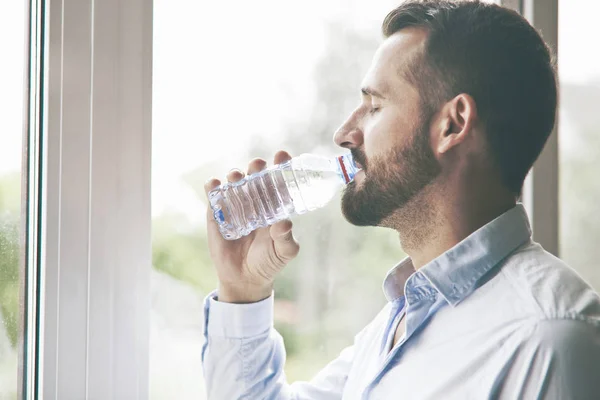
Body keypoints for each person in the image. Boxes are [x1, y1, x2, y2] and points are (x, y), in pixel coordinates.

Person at [201, 1, 600, 399]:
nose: (344, 133)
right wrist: (242, 289)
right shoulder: (397, 325)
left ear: (453, 124)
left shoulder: (548, 339)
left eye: (374, 107)